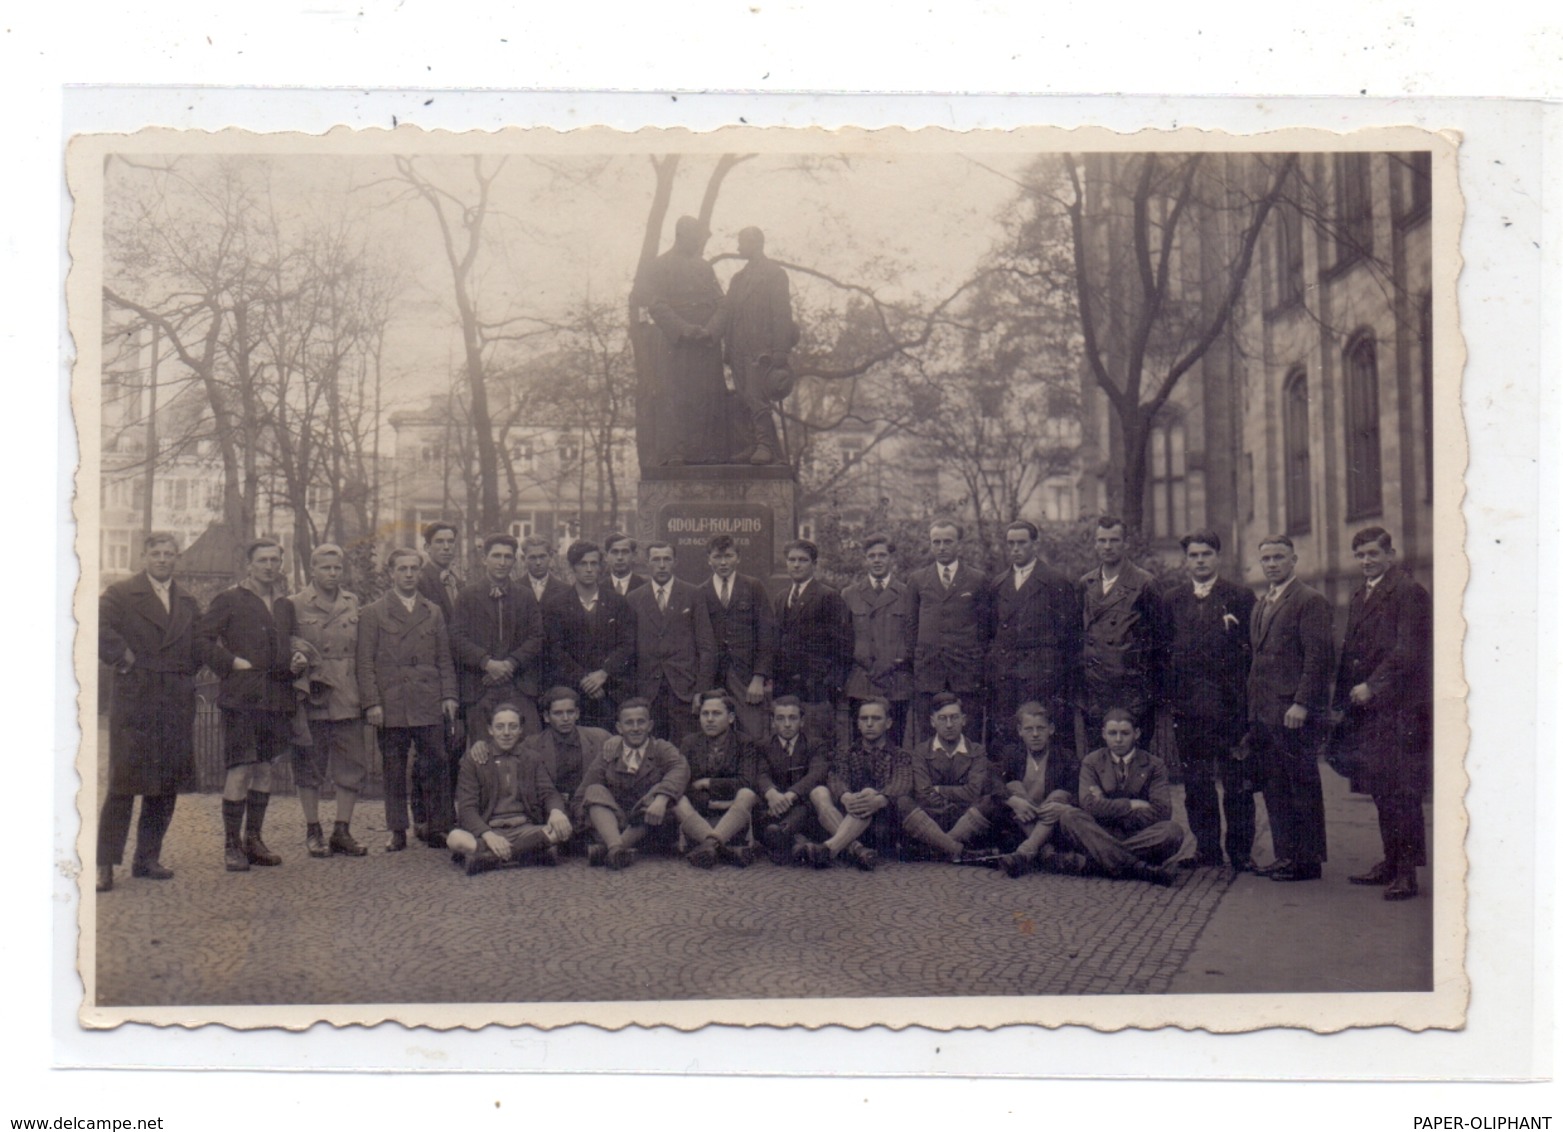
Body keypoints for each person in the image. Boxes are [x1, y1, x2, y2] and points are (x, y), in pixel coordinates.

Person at [96, 533, 204, 892]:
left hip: (173, 699)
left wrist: (191, 671)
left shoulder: (187, 601)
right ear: (144, 556)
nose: (162, 559)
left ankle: (147, 858)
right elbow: (96, 627)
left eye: (169, 554)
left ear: (177, 559)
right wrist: (121, 655)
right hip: (135, 698)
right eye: (156, 553)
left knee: (164, 783)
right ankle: (104, 864)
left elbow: (200, 642)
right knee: (124, 783)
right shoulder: (120, 593)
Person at [1330, 527, 1432, 901]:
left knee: (1402, 792)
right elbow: (1351, 652)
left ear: (1391, 554)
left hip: (1400, 711)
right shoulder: (1360, 594)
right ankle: (1391, 862)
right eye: (1360, 555)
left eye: (1373, 553)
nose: (1366, 561)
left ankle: (1406, 873)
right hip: (1369, 712)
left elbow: (1408, 651)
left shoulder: (1408, 592)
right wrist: (1343, 700)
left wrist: (1372, 685)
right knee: (1381, 790)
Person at [196, 538, 307, 872]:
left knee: (265, 768)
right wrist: (229, 662)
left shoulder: (284, 605)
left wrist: (296, 658)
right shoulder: (229, 599)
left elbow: (288, 643)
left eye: (275, 560)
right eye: (262, 560)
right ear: (250, 564)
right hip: (242, 696)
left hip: (277, 696)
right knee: (240, 768)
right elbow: (201, 640)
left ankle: (253, 840)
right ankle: (231, 845)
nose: (269, 566)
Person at [1160, 530, 1259, 870]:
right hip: (1188, 710)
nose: (1200, 560)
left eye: (1206, 554)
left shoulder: (1241, 598)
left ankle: (1241, 853)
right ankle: (1207, 850)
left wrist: (1246, 708)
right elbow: (1163, 653)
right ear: (1185, 561)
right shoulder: (1172, 600)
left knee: (1236, 786)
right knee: (1197, 785)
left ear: (1218, 557)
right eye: (1193, 555)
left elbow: (1253, 655)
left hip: (1230, 710)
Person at [357, 548, 459, 852]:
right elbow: (364, 662)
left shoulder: (433, 610)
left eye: (414, 568)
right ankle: (398, 829)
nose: (409, 574)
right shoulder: (373, 612)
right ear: (391, 573)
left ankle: (439, 826)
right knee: (394, 767)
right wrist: (372, 703)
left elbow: (444, 658)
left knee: (437, 764)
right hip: (392, 703)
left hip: (427, 700)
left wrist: (449, 695)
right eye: (402, 568)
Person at [1247, 534, 1334, 882]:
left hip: (1293, 712)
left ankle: (1308, 860)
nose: (1271, 564)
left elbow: (1318, 659)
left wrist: (1302, 703)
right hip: (1266, 711)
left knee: (1301, 784)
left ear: (1293, 560)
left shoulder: (1309, 600)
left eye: (1279, 557)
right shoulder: (1261, 603)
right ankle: (1286, 855)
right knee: (1275, 785)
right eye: (1266, 558)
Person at [285, 543, 370, 860]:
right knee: (309, 766)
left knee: (352, 765)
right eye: (325, 567)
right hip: (315, 694)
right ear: (312, 570)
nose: (332, 573)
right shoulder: (295, 604)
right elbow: (286, 642)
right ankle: (313, 830)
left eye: (337, 568)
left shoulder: (353, 602)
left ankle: (342, 830)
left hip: (347, 694)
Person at [1056, 709, 1185, 885]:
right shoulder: (1092, 761)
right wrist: (1131, 804)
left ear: (1136, 734)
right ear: (1103, 734)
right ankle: (1140, 868)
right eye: (1112, 733)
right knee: (1070, 817)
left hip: (1136, 835)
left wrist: (1107, 807)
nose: (1118, 739)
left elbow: (1162, 811)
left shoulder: (1154, 765)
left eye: (1124, 733)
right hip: (1101, 830)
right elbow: (1088, 805)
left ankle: (1097, 862)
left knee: (1172, 831)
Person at [638, 215, 728, 467]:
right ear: (681, 235)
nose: (698, 242)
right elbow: (655, 304)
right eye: (694, 237)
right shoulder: (659, 266)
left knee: (707, 395)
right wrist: (683, 329)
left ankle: (707, 450)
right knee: (674, 395)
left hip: (705, 343)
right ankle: (674, 451)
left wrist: (711, 330)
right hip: (674, 343)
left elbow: (722, 303)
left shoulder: (704, 267)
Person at [987, 520, 1080, 754]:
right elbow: (990, 634)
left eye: (1022, 543)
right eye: (1011, 544)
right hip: (1008, 677)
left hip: (1043, 677)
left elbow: (1070, 636)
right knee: (1009, 736)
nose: (1015, 549)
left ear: (1035, 545)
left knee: (1047, 735)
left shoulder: (1056, 582)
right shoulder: (998, 585)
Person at [447, 704, 572, 875]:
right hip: (489, 829)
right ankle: (531, 853)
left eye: (513, 727)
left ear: (521, 730)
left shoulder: (531, 759)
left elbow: (548, 793)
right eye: (500, 727)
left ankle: (488, 859)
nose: (506, 733)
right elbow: (466, 809)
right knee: (455, 839)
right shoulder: (475, 761)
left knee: (561, 829)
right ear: (490, 730)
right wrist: (488, 835)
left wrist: (556, 812)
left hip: (525, 829)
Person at [798, 697, 913, 871]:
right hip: (846, 821)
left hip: (881, 826)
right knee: (818, 792)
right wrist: (845, 796)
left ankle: (831, 848)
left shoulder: (899, 754)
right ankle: (857, 850)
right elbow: (835, 777)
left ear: (888, 723)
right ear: (857, 723)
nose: (869, 724)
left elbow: (901, 782)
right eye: (864, 719)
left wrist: (880, 799)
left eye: (876, 719)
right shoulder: (847, 752)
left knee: (867, 794)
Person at [904, 520, 991, 746]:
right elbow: (911, 625)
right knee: (927, 731)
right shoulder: (918, 579)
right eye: (937, 542)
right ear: (931, 545)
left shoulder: (977, 579)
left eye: (948, 541)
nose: (942, 547)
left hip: (965, 669)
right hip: (929, 669)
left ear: (959, 544)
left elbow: (985, 627)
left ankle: (968, 778)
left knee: (968, 730)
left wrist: (974, 658)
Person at [1079, 516, 1165, 744]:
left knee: (1135, 761)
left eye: (1114, 540)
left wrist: (1149, 692)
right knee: (1099, 759)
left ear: (1125, 543)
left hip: (1131, 693)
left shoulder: (1144, 583)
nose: (1108, 546)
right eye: (1102, 540)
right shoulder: (1086, 584)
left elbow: (1161, 642)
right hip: (1096, 691)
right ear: (1095, 544)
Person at [450, 533, 545, 741]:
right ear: (485, 559)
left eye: (508, 557)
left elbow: (536, 636)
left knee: (530, 746)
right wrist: (486, 662)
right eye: (496, 556)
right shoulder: (467, 595)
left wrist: (511, 663)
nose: (502, 562)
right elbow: (457, 637)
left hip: (518, 685)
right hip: (480, 686)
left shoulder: (525, 595)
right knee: (482, 750)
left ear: (514, 560)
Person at [578, 698, 691, 870]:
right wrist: (589, 820)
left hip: (650, 823)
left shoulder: (661, 748)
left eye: (641, 722)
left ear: (650, 725)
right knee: (594, 790)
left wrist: (661, 799)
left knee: (660, 790)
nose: (636, 728)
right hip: (615, 823)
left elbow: (680, 768)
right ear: (619, 728)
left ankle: (612, 849)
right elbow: (584, 792)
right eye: (629, 723)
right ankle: (617, 848)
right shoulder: (609, 752)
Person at [721, 225, 799, 465]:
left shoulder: (774, 273)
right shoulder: (738, 278)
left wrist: (780, 350)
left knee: (757, 397)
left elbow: (781, 314)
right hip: (738, 348)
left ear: (756, 243)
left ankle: (765, 444)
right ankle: (752, 443)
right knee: (744, 397)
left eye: (742, 242)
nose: (738, 247)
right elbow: (728, 313)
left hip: (761, 349)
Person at [625, 541, 716, 744]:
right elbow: (628, 650)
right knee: (652, 748)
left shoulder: (693, 594)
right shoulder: (634, 598)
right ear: (647, 563)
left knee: (685, 745)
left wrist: (701, 690)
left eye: (667, 559)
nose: (662, 565)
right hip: (649, 690)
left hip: (684, 688)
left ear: (675, 562)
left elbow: (706, 646)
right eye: (656, 559)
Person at [542, 540, 635, 730]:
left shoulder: (617, 602)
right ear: (573, 567)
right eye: (583, 564)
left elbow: (627, 644)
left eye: (594, 563)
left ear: (601, 567)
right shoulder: (555, 605)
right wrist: (584, 680)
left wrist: (604, 673)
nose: (589, 569)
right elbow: (554, 649)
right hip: (572, 692)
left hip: (610, 691)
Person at [772, 538, 852, 749]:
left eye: (803, 560)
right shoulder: (781, 598)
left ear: (814, 564)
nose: (796, 565)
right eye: (792, 560)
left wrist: (831, 684)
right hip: (787, 688)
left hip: (816, 690)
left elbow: (843, 646)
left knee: (816, 745)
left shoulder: (828, 596)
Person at [990, 702, 1083, 878]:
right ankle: (1045, 853)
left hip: (1052, 824)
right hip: (1021, 822)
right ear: (1020, 731)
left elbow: (1078, 793)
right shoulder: (1011, 754)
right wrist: (1013, 801)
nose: (1035, 735)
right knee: (1013, 786)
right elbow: (991, 780)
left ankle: (1026, 852)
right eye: (1029, 729)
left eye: (1040, 728)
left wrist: (1061, 806)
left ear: (1051, 729)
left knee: (1059, 795)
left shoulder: (1065, 757)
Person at [698, 534, 776, 742]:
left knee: (753, 733)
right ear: (709, 559)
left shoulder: (753, 587)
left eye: (729, 556)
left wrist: (759, 677)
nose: (723, 562)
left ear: (738, 558)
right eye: (717, 557)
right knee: (716, 735)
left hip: (746, 676)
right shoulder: (700, 592)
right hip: (714, 677)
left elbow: (767, 634)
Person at [902, 693, 994, 862]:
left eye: (954, 718)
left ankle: (937, 847)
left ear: (963, 720)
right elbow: (923, 794)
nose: (949, 724)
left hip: (965, 818)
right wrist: (951, 800)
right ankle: (957, 850)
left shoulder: (976, 751)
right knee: (903, 802)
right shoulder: (921, 751)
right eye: (943, 718)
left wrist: (939, 790)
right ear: (932, 721)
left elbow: (974, 792)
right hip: (932, 817)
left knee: (989, 801)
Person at [841, 532, 912, 747]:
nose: (877, 560)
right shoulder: (849, 594)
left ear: (892, 559)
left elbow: (911, 636)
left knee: (894, 743)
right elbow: (844, 641)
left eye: (882, 555)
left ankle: (895, 781)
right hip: (862, 681)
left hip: (895, 683)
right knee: (860, 744)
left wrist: (893, 663)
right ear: (865, 559)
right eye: (872, 556)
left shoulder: (907, 593)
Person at [675, 690, 760, 867]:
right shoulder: (689, 743)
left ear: (730, 718)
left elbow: (747, 782)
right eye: (705, 714)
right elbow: (682, 783)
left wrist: (709, 783)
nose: (710, 719)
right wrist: (708, 803)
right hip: (700, 814)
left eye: (716, 713)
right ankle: (724, 849)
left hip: (733, 814)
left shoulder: (744, 743)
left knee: (747, 794)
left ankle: (709, 845)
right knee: (677, 800)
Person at [748, 695, 830, 865]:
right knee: (763, 813)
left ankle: (782, 837)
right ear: (772, 722)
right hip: (773, 807)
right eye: (780, 718)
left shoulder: (815, 745)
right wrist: (771, 792)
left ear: (802, 721)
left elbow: (816, 773)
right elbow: (761, 774)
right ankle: (795, 843)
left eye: (792, 718)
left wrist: (791, 794)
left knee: (804, 810)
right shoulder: (762, 746)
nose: (786, 724)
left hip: (802, 807)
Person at [416, 521, 462, 624]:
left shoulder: (456, 581)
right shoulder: (420, 581)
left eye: (450, 541)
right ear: (427, 548)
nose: (446, 547)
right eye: (439, 541)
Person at [603, 532, 648, 598]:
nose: (620, 557)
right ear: (606, 556)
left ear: (634, 556)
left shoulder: (645, 587)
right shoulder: (599, 588)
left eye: (625, 552)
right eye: (615, 552)